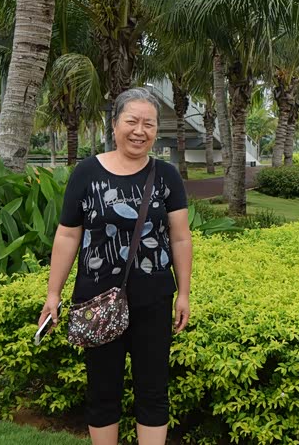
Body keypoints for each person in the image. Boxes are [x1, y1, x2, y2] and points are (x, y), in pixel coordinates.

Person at [38, 88, 192, 445]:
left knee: (153, 389)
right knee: (102, 390)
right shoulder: (87, 173)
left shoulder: (166, 175)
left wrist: (184, 293)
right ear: (114, 124)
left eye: (149, 124)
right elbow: (68, 235)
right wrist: (53, 293)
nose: (140, 131)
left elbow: (180, 238)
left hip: (153, 299)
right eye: (132, 121)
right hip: (98, 299)